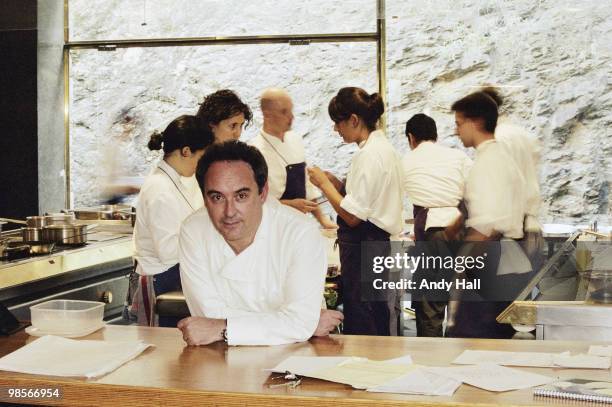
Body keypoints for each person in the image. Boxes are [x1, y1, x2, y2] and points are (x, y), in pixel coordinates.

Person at [178, 141, 343, 346]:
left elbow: (298, 322)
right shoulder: (193, 230)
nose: (229, 212)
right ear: (204, 197)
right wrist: (296, 325)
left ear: (263, 192)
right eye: (217, 197)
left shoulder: (299, 232)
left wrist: (222, 327)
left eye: (241, 196)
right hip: (220, 356)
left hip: (297, 355)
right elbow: (207, 315)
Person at [308, 87, 404, 336]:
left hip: (367, 247)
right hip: (375, 246)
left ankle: (367, 369)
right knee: (374, 315)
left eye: (337, 123)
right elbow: (363, 199)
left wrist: (324, 184)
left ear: (353, 120)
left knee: (365, 320)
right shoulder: (381, 149)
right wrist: (338, 184)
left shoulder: (370, 154)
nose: (335, 130)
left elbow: (352, 216)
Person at [446, 89, 532, 339]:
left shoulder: (487, 163)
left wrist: (459, 266)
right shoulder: (504, 158)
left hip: (490, 263)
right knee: (493, 344)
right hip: (508, 261)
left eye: (459, 124)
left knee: (472, 343)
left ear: (474, 123)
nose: (456, 131)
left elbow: (484, 229)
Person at [129, 115, 213, 327]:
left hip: (173, 276)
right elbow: (167, 250)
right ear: (186, 151)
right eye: (200, 156)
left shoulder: (173, 182)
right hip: (160, 280)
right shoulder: (160, 189)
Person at [402, 113, 472, 337]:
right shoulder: (458, 156)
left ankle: (431, 362)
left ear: (411, 138)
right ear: (436, 135)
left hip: (434, 234)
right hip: (464, 230)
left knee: (430, 303)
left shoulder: (406, 161)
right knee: (465, 303)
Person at [249, 88, 337, 229]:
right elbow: (252, 201)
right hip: (270, 228)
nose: (291, 117)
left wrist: (323, 221)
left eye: (291, 110)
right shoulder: (254, 150)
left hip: (298, 227)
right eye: (284, 112)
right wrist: (289, 205)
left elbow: (306, 187)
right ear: (267, 115)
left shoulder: (295, 140)